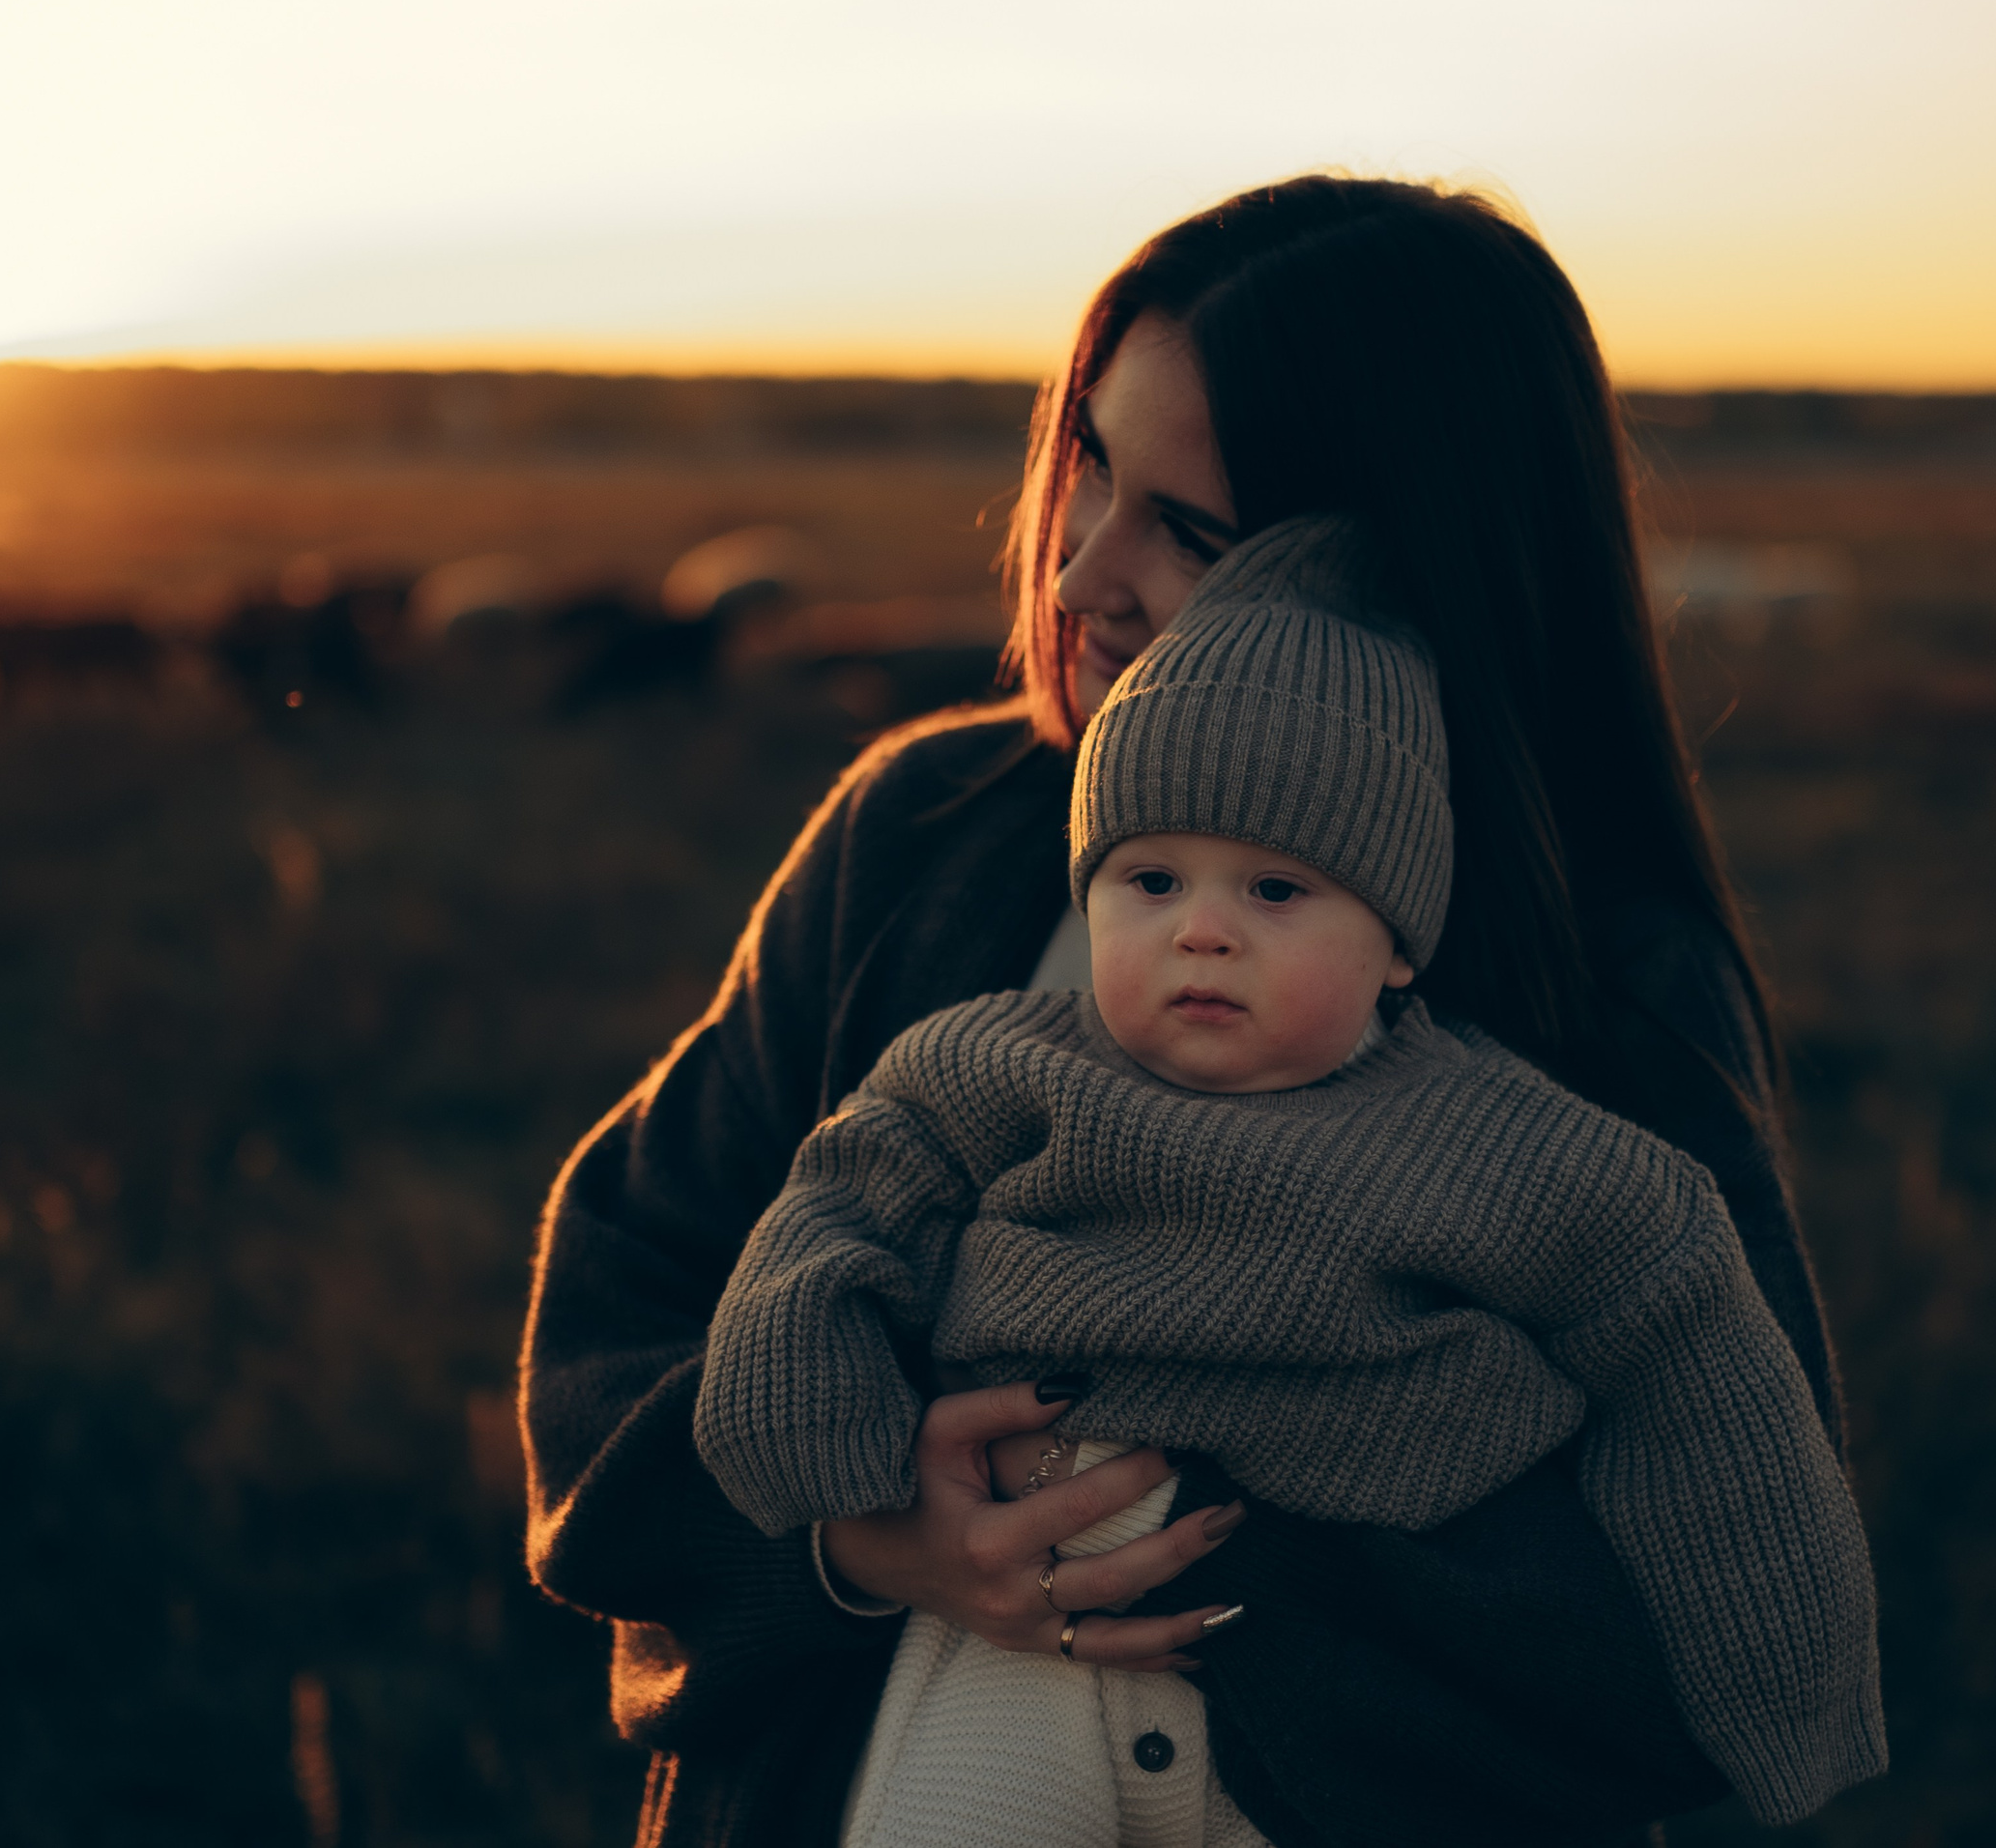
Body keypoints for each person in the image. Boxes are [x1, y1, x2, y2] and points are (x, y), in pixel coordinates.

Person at [520, 174, 1846, 1847]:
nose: (1078, 574)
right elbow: (621, 1307)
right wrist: (867, 1540)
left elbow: (1698, 1599)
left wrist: (1214, 1508)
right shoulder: (923, 840)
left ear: (1414, 577)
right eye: (1087, 463)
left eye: (1193, 533)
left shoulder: (1610, 990)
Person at [692, 516, 1883, 1848]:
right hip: (1013, 1646)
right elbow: (843, 1202)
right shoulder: (992, 1063)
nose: (1202, 926)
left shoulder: (1493, 1133)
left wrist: (1791, 1682)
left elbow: (1687, 1327)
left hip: (1323, 1722)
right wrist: (826, 1452)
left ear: (1398, 949)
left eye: (1274, 888)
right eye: (1149, 879)